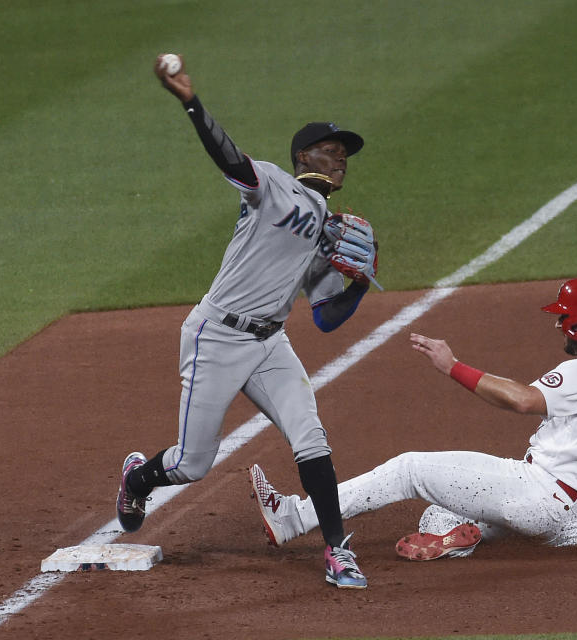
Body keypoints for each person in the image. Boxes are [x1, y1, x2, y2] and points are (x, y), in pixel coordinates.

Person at [116, 53, 380, 589]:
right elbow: (230, 158)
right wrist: (191, 102)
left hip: (269, 344)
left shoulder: (330, 227)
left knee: (311, 438)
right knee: (193, 464)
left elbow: (327, 318)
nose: (340, 160)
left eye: (344, 154)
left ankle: (337, 551)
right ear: (303, 154)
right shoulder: (273, 184)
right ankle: (138, 478)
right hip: (216, 335)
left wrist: (355, 284)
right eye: (330, 151)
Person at [250, 277, 577, 560]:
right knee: (439, 511)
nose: (559, 324)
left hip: (535, 493)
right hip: (568, 511)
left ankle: (293, 518)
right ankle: (473, 538)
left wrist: (452, 366)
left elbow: (524, 400)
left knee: (409, 469)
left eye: (564, 317)